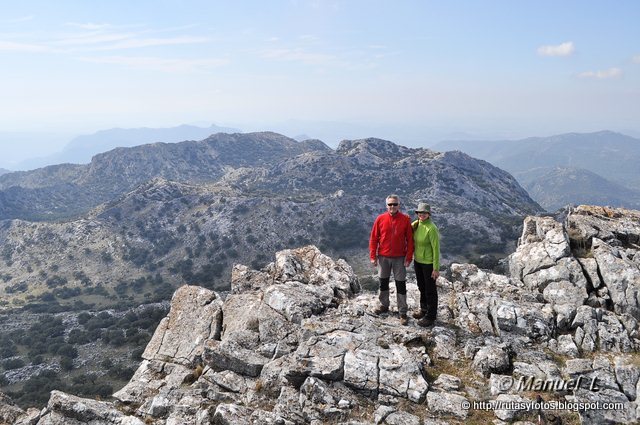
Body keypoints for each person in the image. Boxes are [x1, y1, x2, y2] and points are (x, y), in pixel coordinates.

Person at [369, 194, 414, 325]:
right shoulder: (380, 219)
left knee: (400, 284)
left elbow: (410, 240)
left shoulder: (405, 220)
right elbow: (374, 238)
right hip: (383, 257)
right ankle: (384, 305)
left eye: (395, 204)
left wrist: (409, 257)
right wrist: (373, 256)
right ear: (386, 205)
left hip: (400, 258)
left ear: (399, 205)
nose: (392, 207)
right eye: (390, 204)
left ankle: (403, 312)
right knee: (383, 282)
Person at [411, 202, 440, 327]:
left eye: (424, 213)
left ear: (428, 214)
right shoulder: (417, 225)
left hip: (428, 263)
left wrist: (436, 268)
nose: (421, 215)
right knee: (421, 286)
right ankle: (423, 309)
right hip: (417, 261)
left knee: (430, 290)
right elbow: (407, 229)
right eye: (419, 213)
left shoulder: (431, 228)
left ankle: (431, 316)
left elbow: (436, 249)